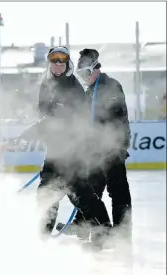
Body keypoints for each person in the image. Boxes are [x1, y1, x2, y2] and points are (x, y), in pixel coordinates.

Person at [17, 46, 112, 248]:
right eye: (54, 61)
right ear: (49, 63)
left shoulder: (71, 87)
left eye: (62, 61)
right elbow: (45, 118)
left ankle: (103, 231)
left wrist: (26, 136)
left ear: (67, 63)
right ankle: (43, 235)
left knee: (76, 192)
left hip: (72, 149)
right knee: (52, 193)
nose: (58, 65)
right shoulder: (46, 84)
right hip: (56, 148)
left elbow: (58, 119)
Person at [57, 48, 132, 244]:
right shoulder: (90, 91)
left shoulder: (110, 86)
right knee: (91, 189)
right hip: (96, 151)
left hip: (112, 148)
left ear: (96, 68)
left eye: (86, 73)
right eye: (80, 75)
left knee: (118, 191)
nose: (83, 78)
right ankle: (84, 226)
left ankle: (121, 234)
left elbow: (113, 120)